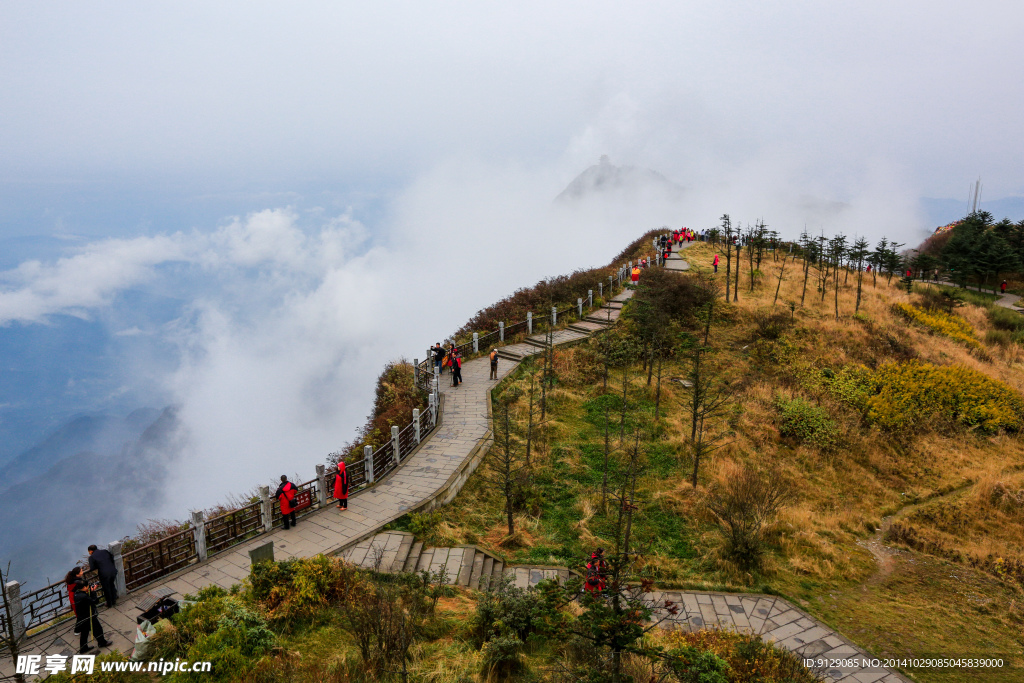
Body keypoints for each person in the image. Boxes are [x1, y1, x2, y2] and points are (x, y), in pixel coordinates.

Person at [72, 578, 111, 654]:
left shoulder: (76, 594)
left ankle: (83, 649)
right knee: (98, 629)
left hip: (82, 617)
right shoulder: (83, 597)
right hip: (88, 616)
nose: (88, 587)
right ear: (84, 587)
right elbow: (94, 601)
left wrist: (89, 591)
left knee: (84, 633)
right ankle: (102, 642)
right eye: (87, 586)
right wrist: (93, 592)